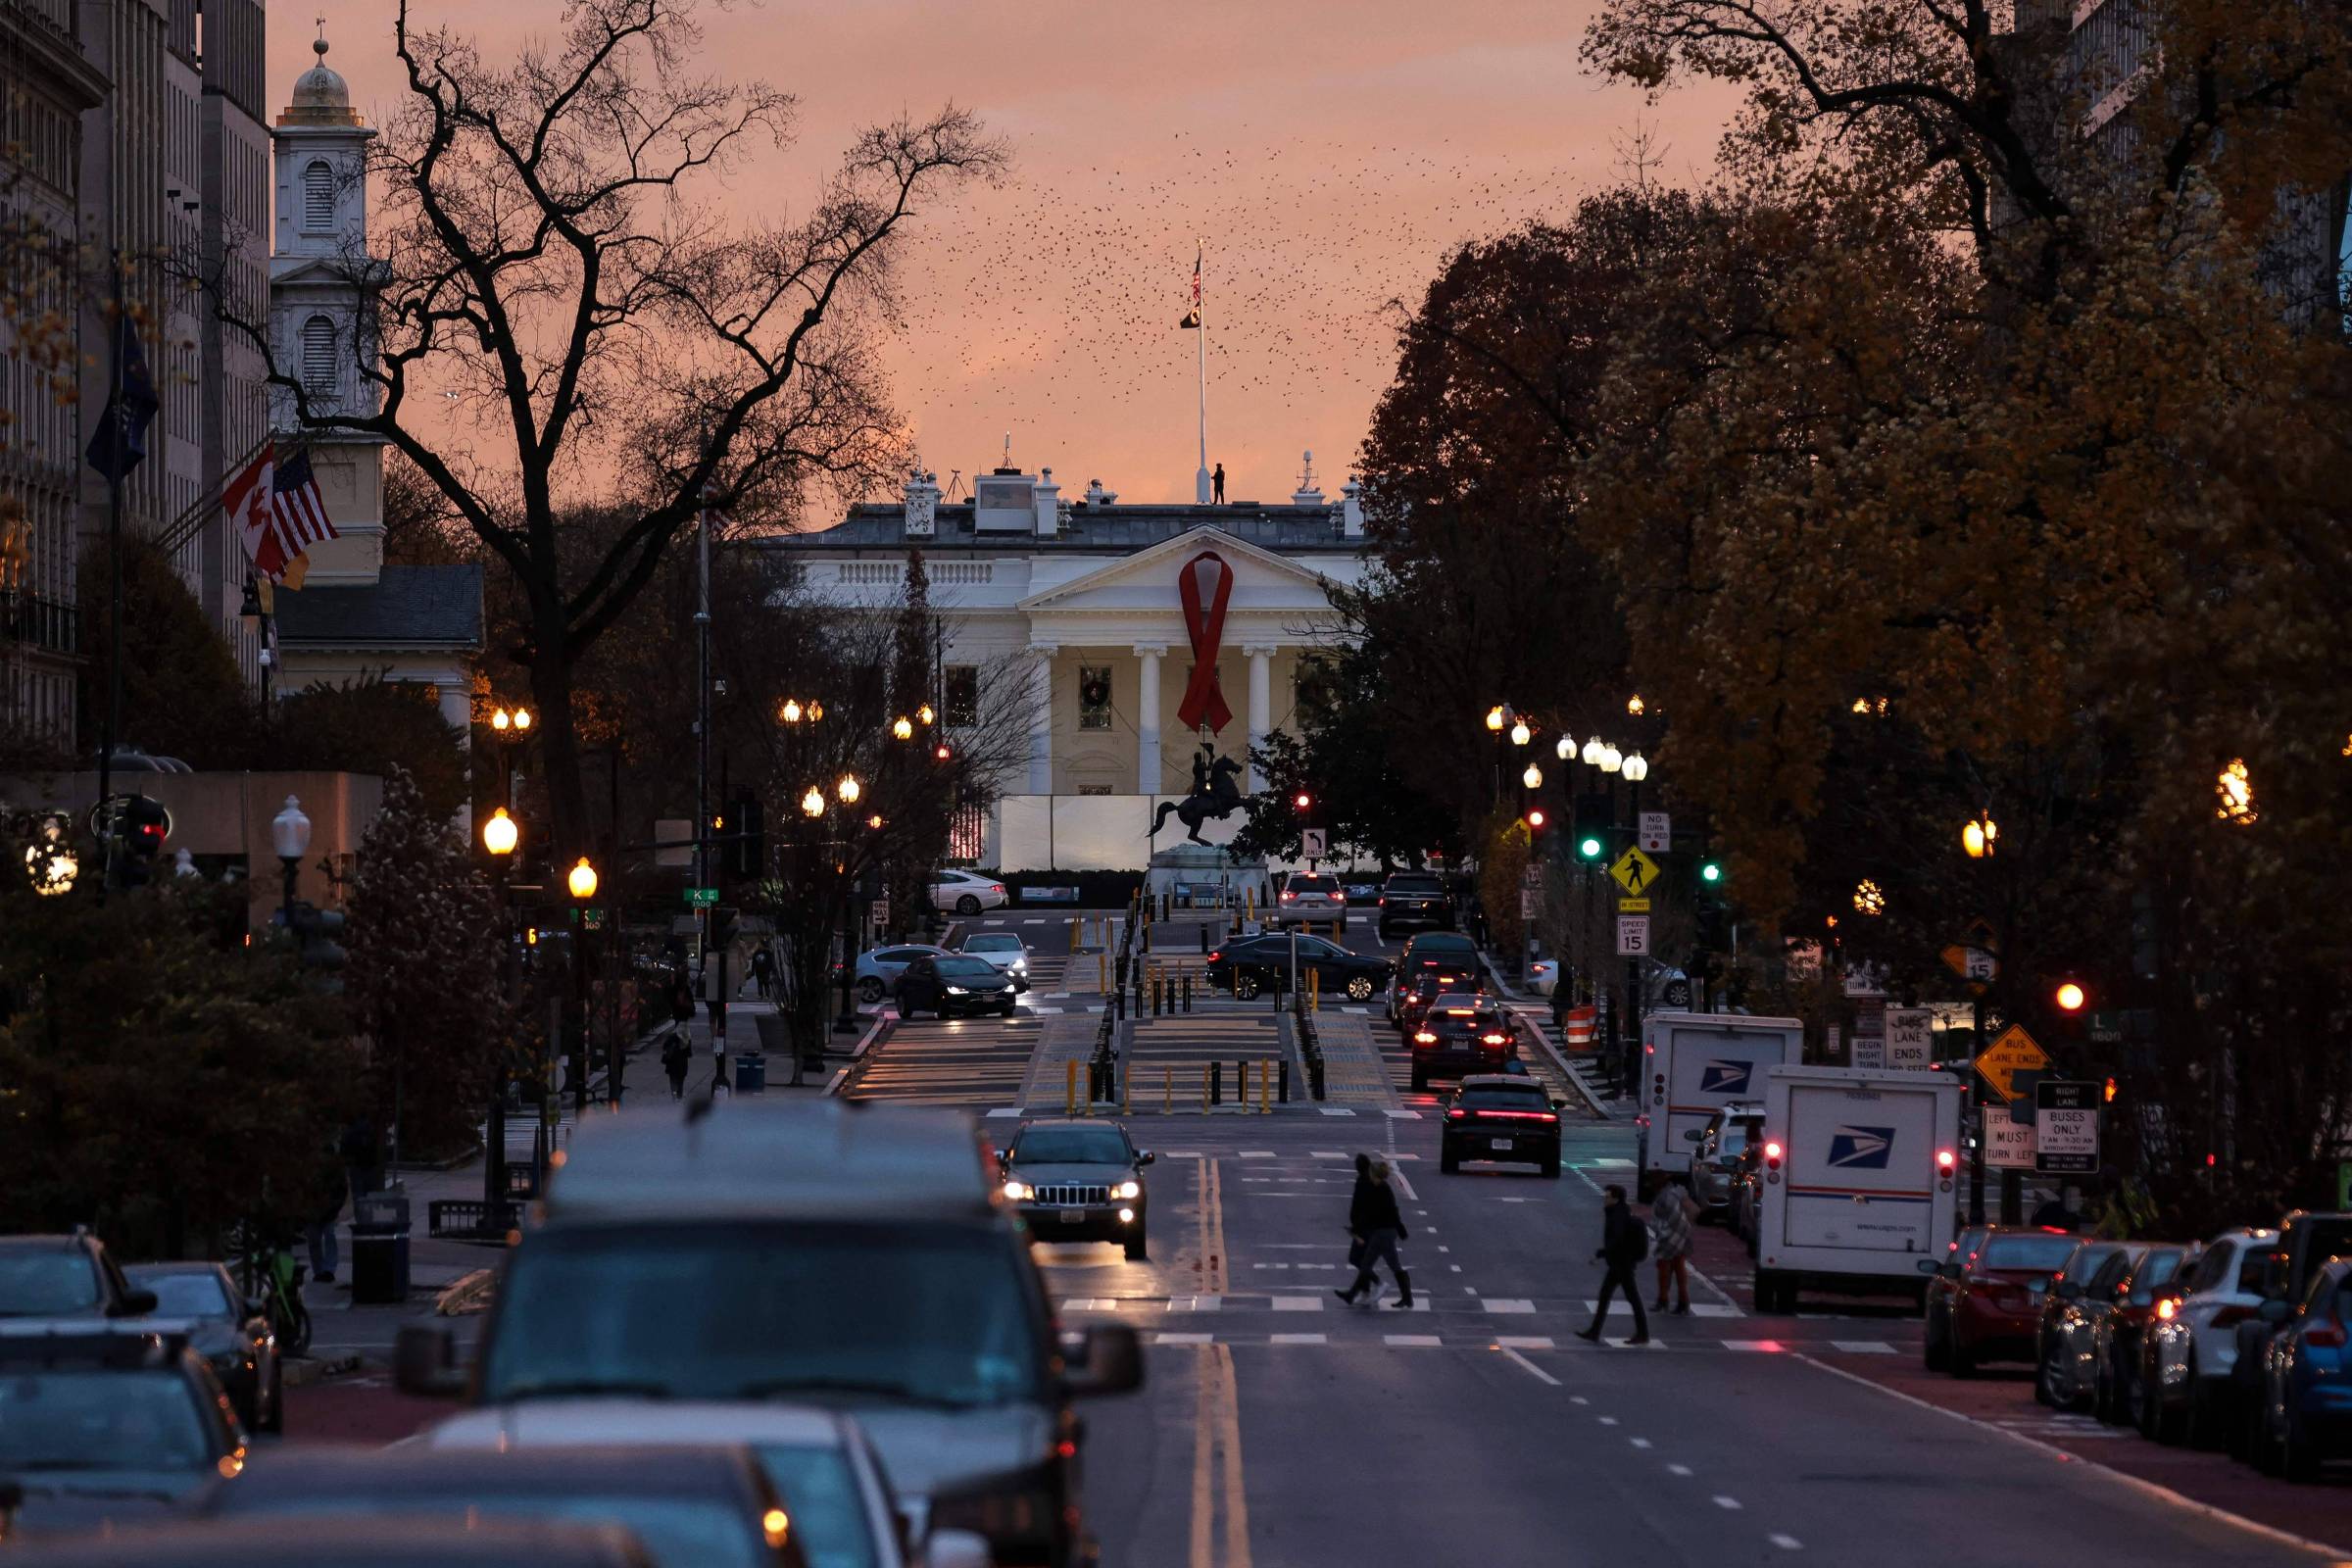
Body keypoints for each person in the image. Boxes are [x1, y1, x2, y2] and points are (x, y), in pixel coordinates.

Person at [1577, 1184, 1650, 1345]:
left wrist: (1603, 1253)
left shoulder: (1618, 1215)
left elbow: (1617, 1238)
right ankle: (1595, 1331)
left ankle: (1641, 1333)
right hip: (1622, 1262)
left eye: (1607, 1197)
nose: (1605, 1199)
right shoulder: (1619, 1212)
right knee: (1616, 1297)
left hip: (1621, 1263)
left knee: (1623, 1297)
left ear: (1616, 1199)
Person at [1334, 1157, 1412, 1308]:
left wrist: (1356, 1231)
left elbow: (1372, 1214)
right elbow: (1393, 1211)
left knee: (1367, 1264)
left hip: (1382, 1233)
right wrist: (1401, 1230)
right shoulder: (1384, 1188)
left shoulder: (1379, 1190)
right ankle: (1407, 1298)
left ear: (1373, 1174)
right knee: (1391, 1265)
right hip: (1386, 1232)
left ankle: (1370, 1289)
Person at [1649, 1182, 1693, 1316]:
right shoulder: (1678, 1193)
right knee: (1678, 1266)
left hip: (1671, 1233)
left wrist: (1661, 1233)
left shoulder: (1665, 1197)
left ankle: (1664, 1299)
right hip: (1683, 1233)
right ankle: (1683, 1301)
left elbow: (1664, 1218)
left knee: (1663, 1265)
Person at [305, 1151, 347, 1285]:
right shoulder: (309, 1167)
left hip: (326, 1209)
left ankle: (327, 1270)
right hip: (314, 1210)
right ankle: (321, 1270)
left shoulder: (334, 1170)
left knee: (326, 1237)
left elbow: (341, 1189)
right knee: (317, 1240)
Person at [662, 1030, 692, 1101]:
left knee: (673, 1079)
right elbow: (689, 1053)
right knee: (681, 1080)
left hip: (671, 1062)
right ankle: (679, 1095)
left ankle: (674, 1093)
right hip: (682, 1062)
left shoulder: (671, 1037)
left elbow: (664, 1047)